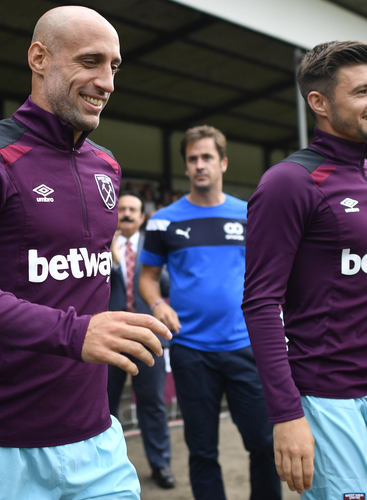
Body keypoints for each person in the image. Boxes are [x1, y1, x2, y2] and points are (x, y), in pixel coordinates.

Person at [0, 6, 171, 500]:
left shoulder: (107, 166)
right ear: (40, 58)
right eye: (91, 61)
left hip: (97, 440)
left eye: (114, 66)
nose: (107, 82)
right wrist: (75, 332)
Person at [242, 41, 367, 499]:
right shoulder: (288, 183)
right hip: (328, 402)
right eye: (363, 91)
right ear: (319, 103)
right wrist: (287, 416)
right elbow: (261, 303)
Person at [139, 125, 281, 500]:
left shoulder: (251, 214)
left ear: (223, 163)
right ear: (186, 166)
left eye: (207, 158)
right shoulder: (163, 220)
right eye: (193, 159)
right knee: (202, 451)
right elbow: (148, 279)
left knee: (264, 444)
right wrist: (157, 304)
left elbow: (269, 275)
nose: (200, 165)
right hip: (191, 352)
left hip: (245, 347)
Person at [107, 191, 175, 489]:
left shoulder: (153, 247)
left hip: (149, 336)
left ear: (143, 216)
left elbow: (169, 283)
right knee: (102, 405)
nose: (127, 214)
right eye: (122, 209)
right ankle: (103, 467)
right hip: (108, 337)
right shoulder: (101, 244)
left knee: (153, 404)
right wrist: (112, 263)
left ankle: (160, 465)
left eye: (134, 209)